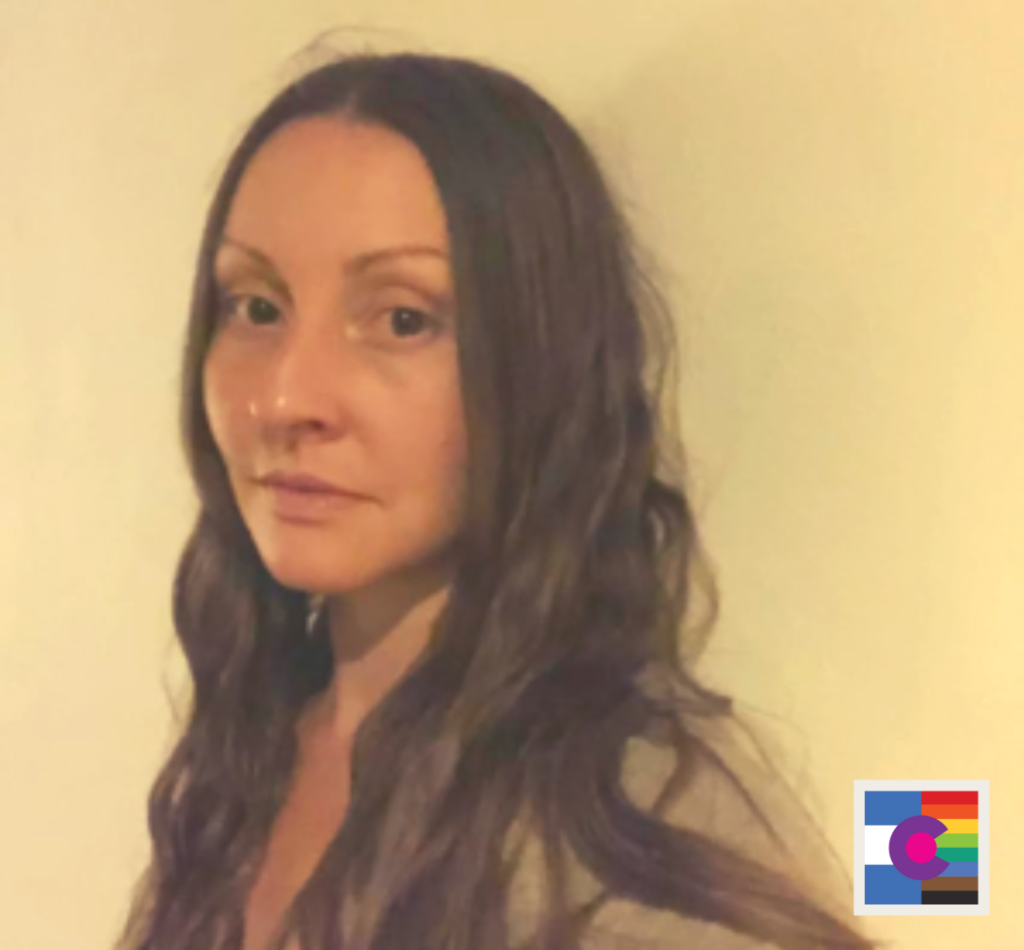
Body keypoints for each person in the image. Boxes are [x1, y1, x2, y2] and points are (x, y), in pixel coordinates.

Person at [114, 49, 881, 950]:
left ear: (538, 365)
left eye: (402, 319)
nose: (285, 399)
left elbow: (926, 879)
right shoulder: (245, 758)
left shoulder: (633, 825)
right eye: (255, 307)